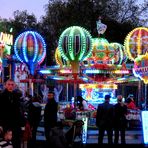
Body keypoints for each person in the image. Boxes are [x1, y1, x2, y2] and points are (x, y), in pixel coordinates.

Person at [0, 79, 25, 148]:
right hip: (6, 124)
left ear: (14, 86)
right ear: (5, 85)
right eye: (9, 84)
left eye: (12, 84)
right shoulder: (1, 96)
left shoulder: (16, 96)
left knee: (16, 143)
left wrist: (22, 124)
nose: (10, 86)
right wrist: (1, 125)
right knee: (6, 144)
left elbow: (19, 110)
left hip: (16, 124)